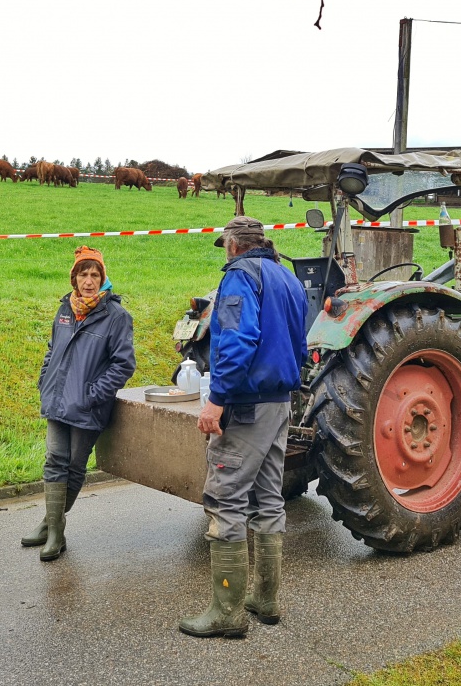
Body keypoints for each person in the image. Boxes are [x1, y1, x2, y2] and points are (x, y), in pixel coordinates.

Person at [179, 216, 308, 638]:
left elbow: (237, 341)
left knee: (225, 497)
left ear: (233, 245)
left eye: (224, 247)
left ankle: (227, 612)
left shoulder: (239, 276)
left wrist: (216, 400)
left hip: (247, 404)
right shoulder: (287, 279)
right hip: (280, 403)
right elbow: (300, 343)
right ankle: (265, 598)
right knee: (268, 498)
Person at [21, 245, 135, 561]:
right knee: (54, 460)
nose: (88, 280)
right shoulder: (64, 310)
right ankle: (55, 531)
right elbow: (51, 350)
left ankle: (51, 526)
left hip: (87, 405)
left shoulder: (116, 316)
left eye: (94, 274)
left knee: (72, 467)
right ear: (74, 278)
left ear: (103, 277)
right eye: (83, 274)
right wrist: (46, 380)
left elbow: (124, 364)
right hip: (58, 400)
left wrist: (93, 394)